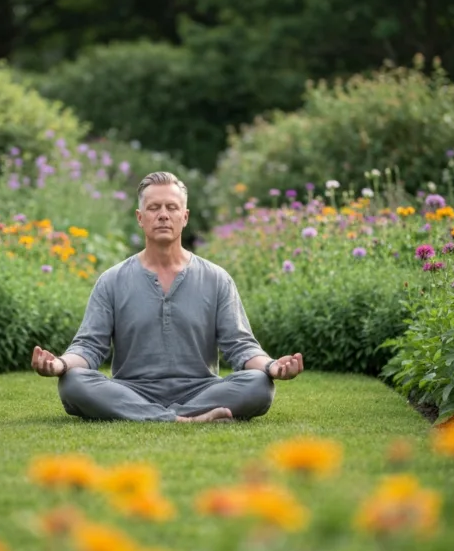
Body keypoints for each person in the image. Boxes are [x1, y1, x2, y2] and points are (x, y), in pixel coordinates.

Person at [31, 171, 304, 422]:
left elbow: (241, 346)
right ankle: (185, 418)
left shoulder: (217, 279)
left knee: (259, 384)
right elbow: (89, 347)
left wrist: (271, 366)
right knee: (72, 382)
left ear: (185, 216)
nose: (163, 215)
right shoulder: (111, 280)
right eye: (154, 208)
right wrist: (60, 364)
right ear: (140, 217)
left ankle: (152, 415)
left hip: (201, 390)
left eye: (171, 207)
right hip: (131, 389)